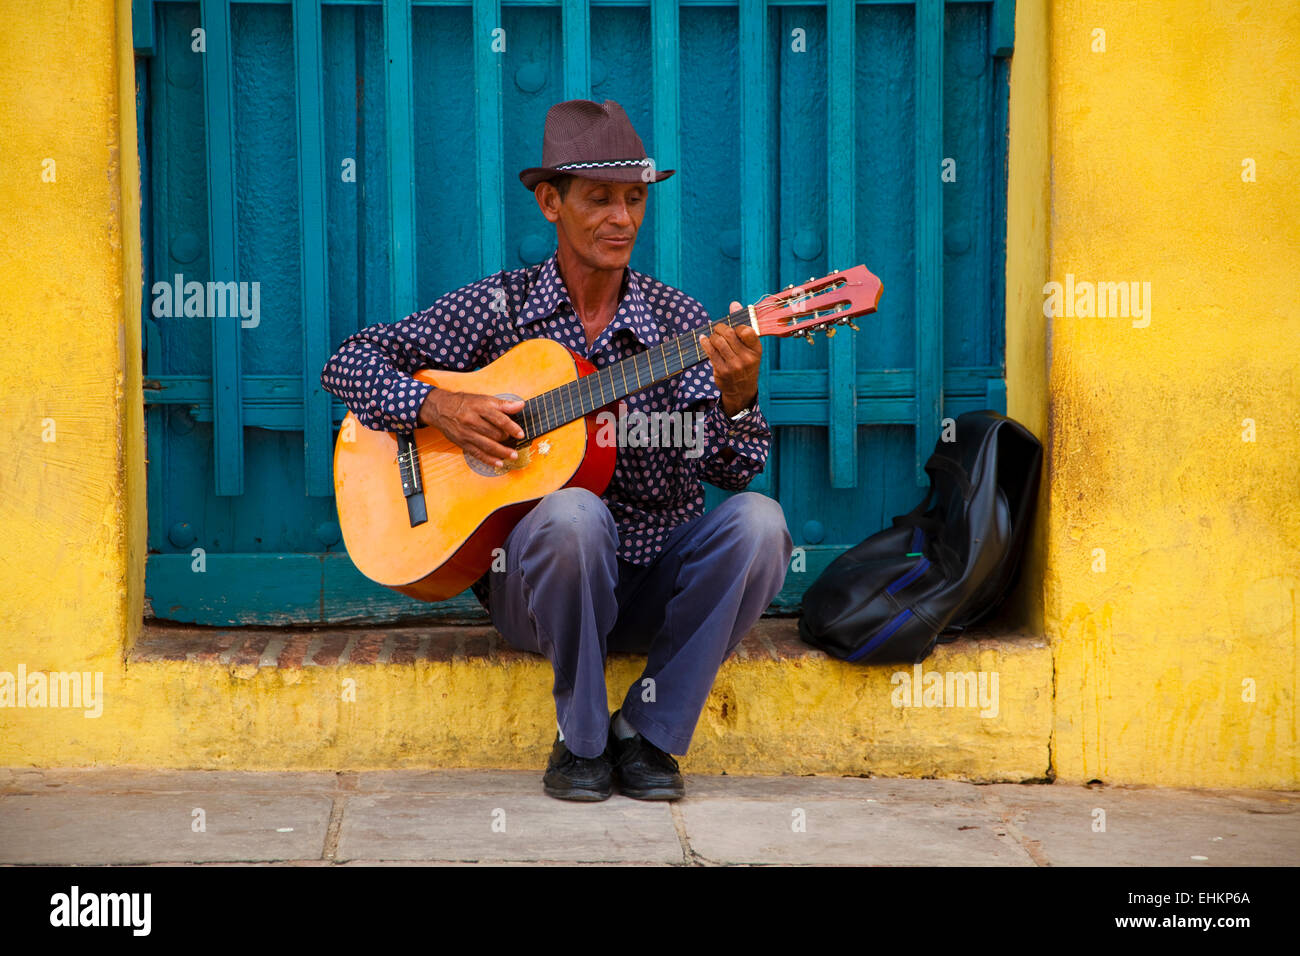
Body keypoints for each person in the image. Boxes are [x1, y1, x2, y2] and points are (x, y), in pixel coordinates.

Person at [321, 98, 793, 802]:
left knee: (761, 524)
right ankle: (582, 743)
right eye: (599, 199)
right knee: (573, 513)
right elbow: (348, 363)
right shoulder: (498, 310)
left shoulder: (681, 323)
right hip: (538, 590)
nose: (622, 219)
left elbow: (738, 467)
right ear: (550, 202)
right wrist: (438, 407)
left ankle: (649, 734)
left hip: (655, 584)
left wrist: (736, 396)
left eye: (634, 199)